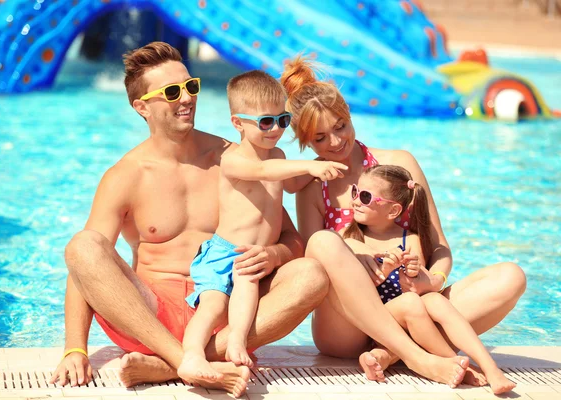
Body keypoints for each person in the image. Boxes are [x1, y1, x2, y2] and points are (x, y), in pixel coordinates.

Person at [49, 42, 331, 397]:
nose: (186, 98)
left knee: (313, 275)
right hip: (149, 316)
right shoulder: (125, 175)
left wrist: (274, 256)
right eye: (171, 92)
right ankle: (183, 358)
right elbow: (83, 267)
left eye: (190, 86)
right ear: (142, 107)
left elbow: (293, 240)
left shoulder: (236, 159)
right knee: (84, 244)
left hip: (227, 312)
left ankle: (174, 365)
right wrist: (75, 348)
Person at [280, 56, 526, 384]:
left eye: (340, 126)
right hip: (346, 330)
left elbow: (439, 247)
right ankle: (413, 354)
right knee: (322, 243)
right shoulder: (312, 188)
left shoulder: (400, 164)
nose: (336, 142)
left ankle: (387, 351)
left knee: (511, 277)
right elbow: (313, 271)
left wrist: (434, 280)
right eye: (320, 138)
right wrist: (354, 255)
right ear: (306, 140)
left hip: (411, 305)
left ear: (349, 115)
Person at [177, 70, 347, 385]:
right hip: (223, 252)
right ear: (237, 123)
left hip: (252, 255)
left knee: (246, 288)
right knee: (213, 306)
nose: (275, 130)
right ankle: (190, 355)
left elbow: (293, 184)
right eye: (265, 123)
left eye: (282, 121)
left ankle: (237, 342)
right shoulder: (234, 160)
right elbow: (263, 170)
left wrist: (323, 158)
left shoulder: (280, 155)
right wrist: (310, 164)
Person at [342, 164, 516, 394]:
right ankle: (457, 363)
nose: (355, 200)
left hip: (408, 313)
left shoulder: (409, 239)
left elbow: (415, 288)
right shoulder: (349, 236)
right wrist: (385, 269)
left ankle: (490, 367)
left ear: (393, 211)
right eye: (355, 192)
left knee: (435, 301)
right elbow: (358, 289)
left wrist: (414, 272)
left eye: (365, 196)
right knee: (413, 304)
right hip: (373, 320)